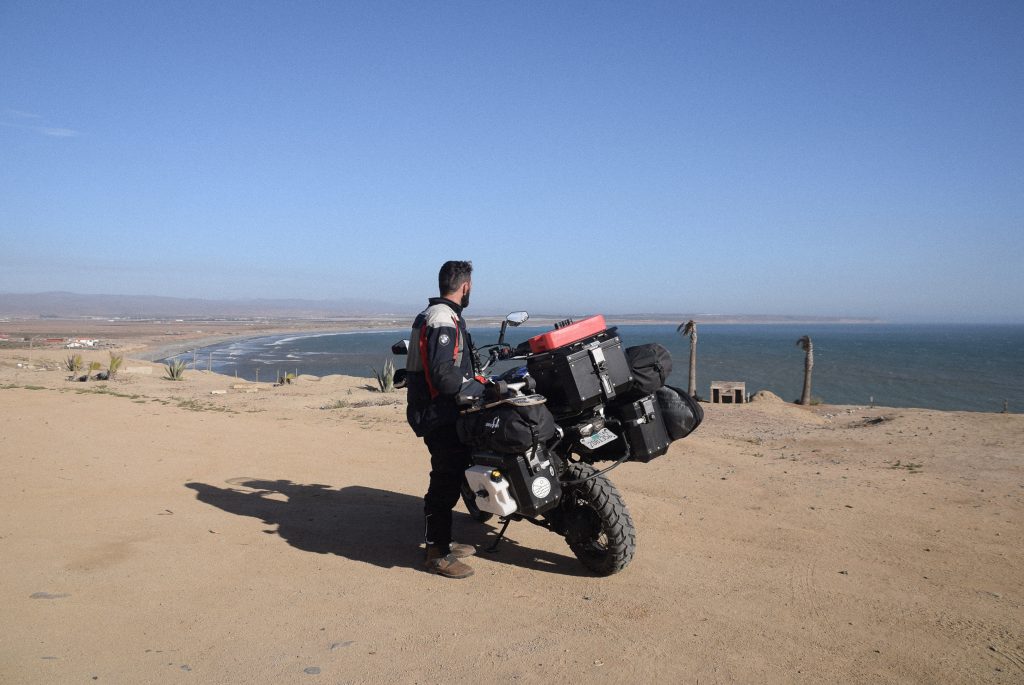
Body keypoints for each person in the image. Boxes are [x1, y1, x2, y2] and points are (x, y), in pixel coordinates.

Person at [405, 260, 485, 578]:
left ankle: (445, 541)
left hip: (435, 408)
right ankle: (437, 552)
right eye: (471, 287)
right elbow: (442, 374)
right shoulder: (442, 318)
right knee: (445, 479)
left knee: (453, 473)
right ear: (465, 287)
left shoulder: (434, 315)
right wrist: (475, 388)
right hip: (438, 412)